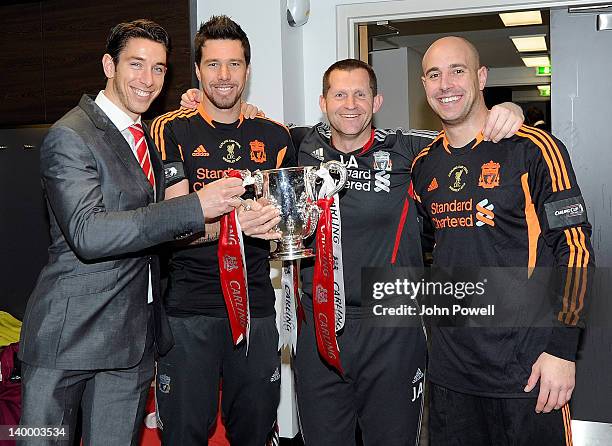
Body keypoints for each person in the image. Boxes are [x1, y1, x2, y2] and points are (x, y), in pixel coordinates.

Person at [180, 59, 523, 445]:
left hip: (392, 322)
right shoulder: (297, 145)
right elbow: (243, 130)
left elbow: (466, 131)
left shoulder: (410, 150)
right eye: (339, 94)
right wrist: (201, 103)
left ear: (376, 102)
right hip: (318, 322)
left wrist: (508, 111)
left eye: (361, 94)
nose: (350, 104)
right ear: (322, 102)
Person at [17, 19, 245, 446]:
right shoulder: (70, 135)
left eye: (158, 68)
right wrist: (196, 205)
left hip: (131, 341)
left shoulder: (145, 134)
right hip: (66, 341)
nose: (148, 79)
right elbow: (89, 233)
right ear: (108, 64)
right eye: (136, 65)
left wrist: (228, 221)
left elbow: (154, 227)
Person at [411, 36, 594, 445]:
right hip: (450, 374)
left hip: (527, 370)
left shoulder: (533, 149)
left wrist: (563, 349)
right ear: (424, 85)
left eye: (457, 71)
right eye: (434, 75)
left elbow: (576, 249)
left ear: (480, 77)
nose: (446, 84)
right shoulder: (424, 165)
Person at [150, 16, 295, 446]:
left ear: (248, 71)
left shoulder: (274, 135)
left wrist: (274, 226)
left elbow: (286, 221)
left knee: (254, 432)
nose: (224, 76)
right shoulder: (171, 128)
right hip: (189, 312)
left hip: (256, 310)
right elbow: (174, 223)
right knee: (184, 435)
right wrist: (236, 223)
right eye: (213, 64)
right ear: (197, 70)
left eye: (234, 64)